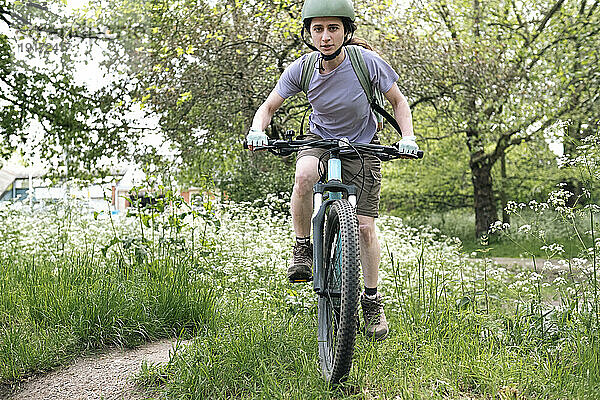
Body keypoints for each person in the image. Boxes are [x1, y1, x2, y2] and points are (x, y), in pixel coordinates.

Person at [246, 0, 419, 341]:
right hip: (320, 139)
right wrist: (257, 130)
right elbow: (268, 106)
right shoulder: (303, 68)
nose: (325, 36)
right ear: (309, 33)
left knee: (366, 228)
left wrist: (408, 137)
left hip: (363, 146)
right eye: (318, 28)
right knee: (304, 176)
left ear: (346, 31)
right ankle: (302, 247)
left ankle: (371, 301)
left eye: (333, 28)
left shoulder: (367, 63)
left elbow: (399, 102)